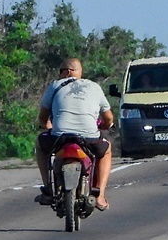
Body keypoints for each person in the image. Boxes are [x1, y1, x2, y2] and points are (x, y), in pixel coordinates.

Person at [34, 58, 115, 210]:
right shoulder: (94, 87)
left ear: (68, 71)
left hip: (60, 136)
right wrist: (105, 126)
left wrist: (47, 126)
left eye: (61, 71)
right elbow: (109, 118)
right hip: (89, 136)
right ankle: (100, 195)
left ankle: (48, 189)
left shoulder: (55, 86)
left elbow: (42, 117)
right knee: (106, 149)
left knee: (40, 144)